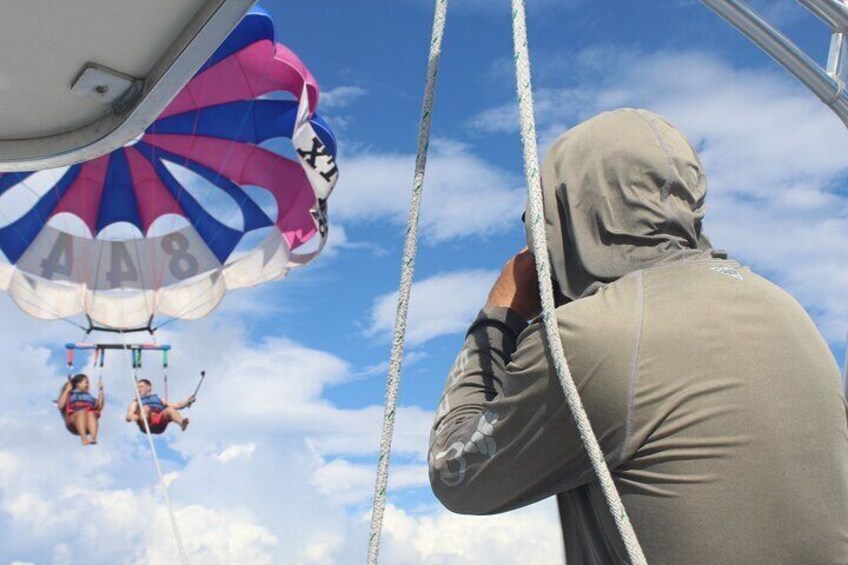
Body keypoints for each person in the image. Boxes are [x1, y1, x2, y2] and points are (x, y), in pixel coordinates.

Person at [428, 108, 848, 564]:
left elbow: (456, 474)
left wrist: (500, 313)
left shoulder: (587, 339)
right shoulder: (786, 309)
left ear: (562, 219)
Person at [125, 379, 194, 434]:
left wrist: (188, 401)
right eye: (137, 387)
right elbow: (128, 416)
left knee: (170, 409)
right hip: (146, 421)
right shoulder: (136, 402)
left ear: (149, 388)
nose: (138, 389)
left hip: (159, 423)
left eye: (141, 387)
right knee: (145, 408)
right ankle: (145, 425)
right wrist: (137, 417)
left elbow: (177, 405)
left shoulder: (159, 399)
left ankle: (182, 423)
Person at [57, 373, 104, 446]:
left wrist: (101, 390)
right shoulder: (71, 395)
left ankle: (93, 438)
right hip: (73, 423)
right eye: (86, 382)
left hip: (87, 425)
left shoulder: (89, 397)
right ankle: (84, 439)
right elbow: (60, 406)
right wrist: (67, 390)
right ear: (78, 384)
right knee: (81, 412)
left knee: (91, 413)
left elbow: (99, 407)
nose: (88, 385)